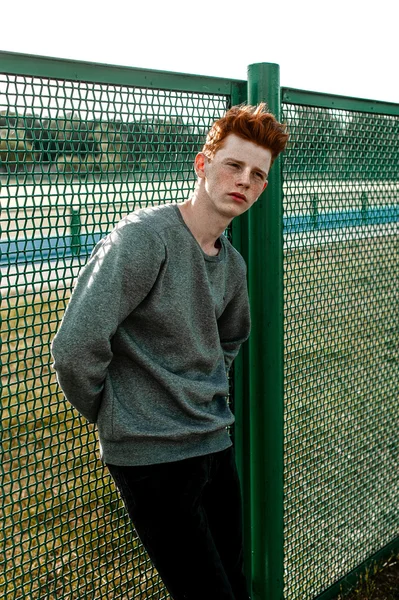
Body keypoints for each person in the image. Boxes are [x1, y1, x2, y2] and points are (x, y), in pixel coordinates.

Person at [51, 103, 289, 600]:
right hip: (151, 458)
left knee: (236, 585)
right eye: (233, 164)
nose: (244, 180)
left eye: (256, 174)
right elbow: (76, 348)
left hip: (212, 445)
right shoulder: (144, 239)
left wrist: (201, 391)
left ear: (263, 188)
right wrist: (122, 414)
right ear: (202, 165)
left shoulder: (234, 266)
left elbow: (230, 340)